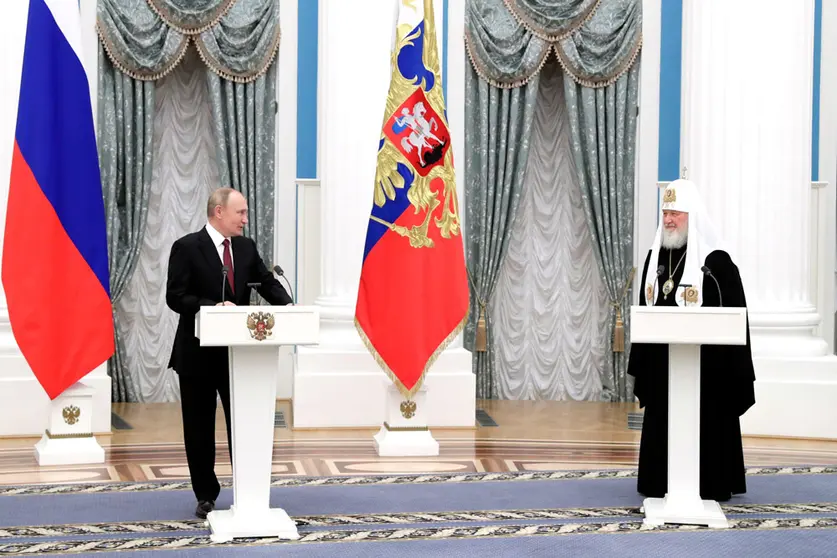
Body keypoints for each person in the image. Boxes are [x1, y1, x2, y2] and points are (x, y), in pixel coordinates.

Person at [165, 187, 293, 518]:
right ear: (219, 212)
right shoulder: (187, 247)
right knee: (199, 427)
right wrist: (211, 307)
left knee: (245, 423)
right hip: (197, 354)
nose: (245, 220)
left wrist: (291, 308)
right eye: (241, 213)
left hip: (241, 356)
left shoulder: (246, 248)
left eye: (246, 213)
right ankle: (205, 494)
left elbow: (265, 282)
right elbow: (175, 296)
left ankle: (248, 489)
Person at [627, 178, 755, 502]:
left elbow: (732, 317)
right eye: (665, 212)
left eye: (676, 213)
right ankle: (661, 481)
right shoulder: (655, 258)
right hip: (663, 369)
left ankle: (709, 481)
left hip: (708, 374)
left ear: (692, 215)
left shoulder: (716, 264)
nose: (668, 220)